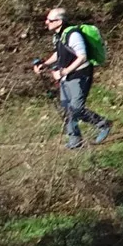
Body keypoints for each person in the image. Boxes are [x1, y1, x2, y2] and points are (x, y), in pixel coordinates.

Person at [34, 8, 111, 149]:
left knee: (76, 109)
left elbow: (82, 57)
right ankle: (75, 142)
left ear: (60, 21)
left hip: (80, 75)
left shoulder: (73, 35)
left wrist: (64, 72)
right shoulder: (58, 36)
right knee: (67, 110)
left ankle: (102, 124)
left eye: (50, 20)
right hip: (66, 77)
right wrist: (44, 64)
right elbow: (59, 53)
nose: (46, 22)